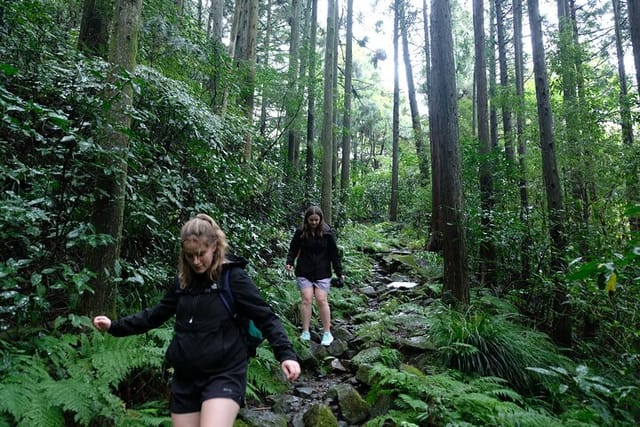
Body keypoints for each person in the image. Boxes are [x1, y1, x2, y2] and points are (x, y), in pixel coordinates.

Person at [93, 213, 300, 427]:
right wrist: (114, 326)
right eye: (190, 256)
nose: (196, 261)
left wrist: (286, 355)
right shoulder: (183, 283)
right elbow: (155, 315)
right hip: (186, 377)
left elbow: (266, 317)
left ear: (215, 247)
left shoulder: (233, 278)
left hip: (225, 373)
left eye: (201, 254)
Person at [285, 206, 344, 346]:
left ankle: (327, 332)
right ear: (306, 219)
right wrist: (289, 262)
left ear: (320, 219)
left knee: (321, 300)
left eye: (316, 220)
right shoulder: (300, 232)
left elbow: (334, 254)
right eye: (311, 220)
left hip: (323, 272)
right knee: (306, 299)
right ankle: (305, 331)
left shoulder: (328, 233)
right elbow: (293, 249)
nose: (314, 222)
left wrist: (339, 272)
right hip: (304, 271)